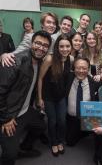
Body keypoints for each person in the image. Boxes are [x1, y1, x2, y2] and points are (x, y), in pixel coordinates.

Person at [0, 30, 52, 165]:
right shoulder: (14, 62)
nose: (41, 48)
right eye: (38, 43)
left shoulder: (39, 62)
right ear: (31, 44)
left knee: (41, 126)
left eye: (45, 46)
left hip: (24, 110)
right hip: (10, 115)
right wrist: (6, 119)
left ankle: (24, 147)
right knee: (9, 155)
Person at [38, 34, 73, 156]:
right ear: (57, 47)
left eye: (67, 46)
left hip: (61, 96)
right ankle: (53, 142)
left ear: (71, 46)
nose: (64, 49)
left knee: (62, 121)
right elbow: (40, 78)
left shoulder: (71, 59)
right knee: (52, 121)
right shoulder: (49, 59)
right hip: (48, 97)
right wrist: (39, 98)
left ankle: (60, 140)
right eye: (61, 46)